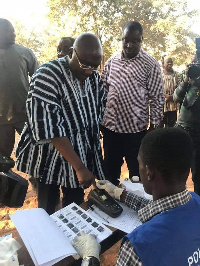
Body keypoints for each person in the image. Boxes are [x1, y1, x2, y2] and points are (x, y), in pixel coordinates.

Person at [71, 127, 200, 266]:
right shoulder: (196, 201)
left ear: (149, 172)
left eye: (139, 163)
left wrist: (90, 258)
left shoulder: (138, 246)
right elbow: (165, 209)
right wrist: (120, 194)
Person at [16, 33, 106, 215]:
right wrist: (79, 167)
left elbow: (97, 114)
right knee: (47, 208)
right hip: (49, 158)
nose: (89, 71)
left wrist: (89, 160)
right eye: (85, 65)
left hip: (79, 153)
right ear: (72, 52)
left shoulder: (93, 78)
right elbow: (50, 128)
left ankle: (70, 240)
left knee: (74, 208)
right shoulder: (47, 75)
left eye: (94, 67)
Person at [101, 21, 165, 185]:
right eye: (125, 40)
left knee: (137, 176)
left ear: (141, 39)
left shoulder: (150, 64)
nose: (129, 45)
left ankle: (136, 207)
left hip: (135, 132)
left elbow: (157, 98)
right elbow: (102, 92)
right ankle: (112, 206)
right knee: (110, 173)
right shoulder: (111, 62)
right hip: (111, 130)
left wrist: (154, 128)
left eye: (135, 41)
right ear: (121, 38)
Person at [0, 18, 38, 158]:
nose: (14, 34)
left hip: (25, 114)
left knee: (35, 149)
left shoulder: (25, 52)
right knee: (3, 156)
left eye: (14, 31)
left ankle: (37, 178)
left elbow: (38, 79)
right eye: (9, 31)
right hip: (1, 118)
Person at [173, 63, 200, 195]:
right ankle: (177, 202)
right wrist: (186, 81)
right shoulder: (189, 81)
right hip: (182, 130)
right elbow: (176, 98)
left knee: (197, 174)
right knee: (177, 170)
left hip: (198, 135)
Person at [160, 57, 180, 127]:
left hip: (173, 106)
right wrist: (165, 96)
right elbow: (155, 88)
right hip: (161, 106)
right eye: (168, 62)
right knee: (160, 127)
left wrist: (172, 97)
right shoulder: (159, 74)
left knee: (171, 127)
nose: (170, 63)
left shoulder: (177, 75)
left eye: (171, 62)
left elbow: (180, 88)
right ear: (163, 64)